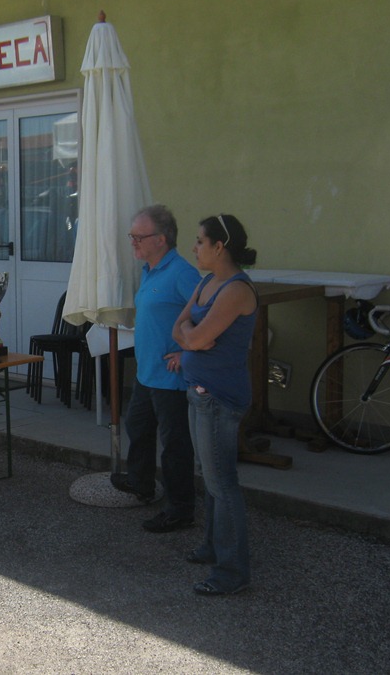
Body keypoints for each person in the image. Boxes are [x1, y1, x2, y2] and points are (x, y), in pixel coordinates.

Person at [172, 214, 258, 597]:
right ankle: (212, 546)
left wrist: (192, 337)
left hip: (220, 399)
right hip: (199, 393)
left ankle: (232, 571)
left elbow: (191, 337)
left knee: (222, 483)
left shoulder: (236, 290)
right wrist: (193, 337)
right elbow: (179, 330)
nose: (194, 248)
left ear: (219, 246)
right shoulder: (207, 283)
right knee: (210, 477)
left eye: (199, 241)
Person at [110, 205, 201, 533]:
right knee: (138, 425)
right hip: (147, 373)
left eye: (139, 236)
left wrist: (186, 351)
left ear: (161, 239)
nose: (133, 242)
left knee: (175, 445)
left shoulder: (182, 273)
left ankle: (180, 510)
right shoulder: (150, 270)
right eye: (132, 236)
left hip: (170, 377)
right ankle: (141, 483)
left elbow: (210, 316)